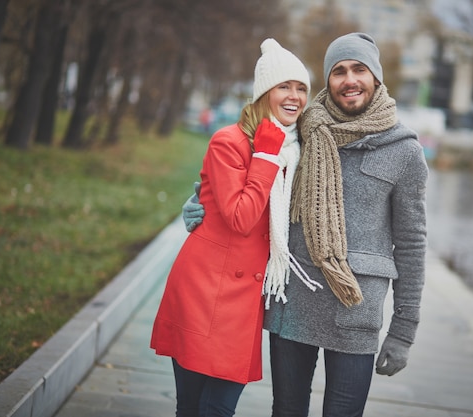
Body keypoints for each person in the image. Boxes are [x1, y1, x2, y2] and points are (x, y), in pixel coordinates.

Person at [183, 32, 428, 417]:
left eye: (359, 69)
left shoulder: (405, 151)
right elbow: (246, 171)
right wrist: (197, 203)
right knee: (286, 411)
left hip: (355, 311)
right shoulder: (300, 131)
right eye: (339, 71)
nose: (349, 80)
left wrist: (403, 330)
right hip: (293, 303)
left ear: (376, 78)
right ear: (328, 81)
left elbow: (412, 244)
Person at [151, 38, 311, 417]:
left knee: (218, 409)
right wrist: (266, 157)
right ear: (263, 93)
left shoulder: (298, 150)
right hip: (205, 291)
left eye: (301, 88)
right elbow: (241, 218)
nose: (294, 96)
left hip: (245, 302)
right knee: (192, 407)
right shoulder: (229, 142)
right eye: (284, 86)